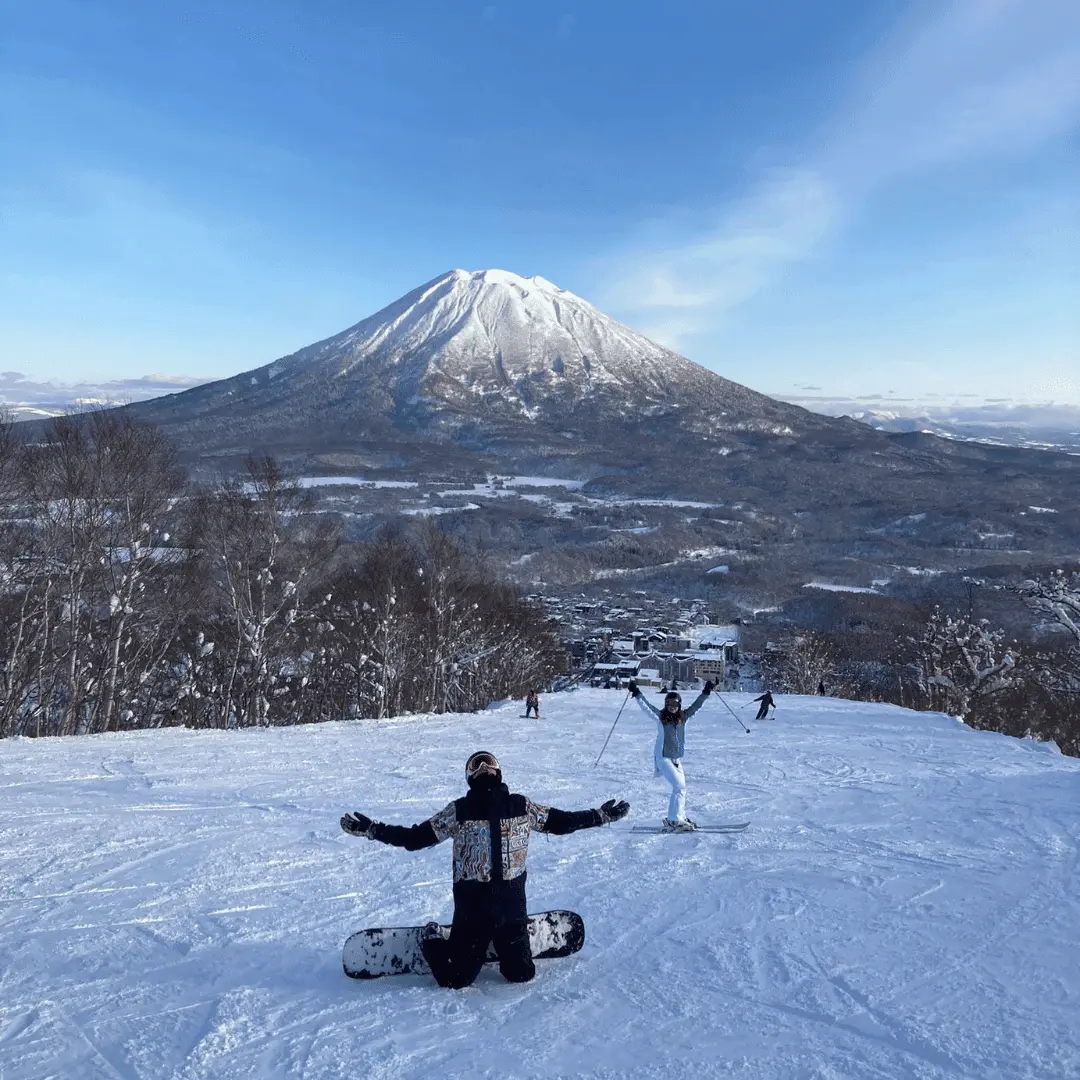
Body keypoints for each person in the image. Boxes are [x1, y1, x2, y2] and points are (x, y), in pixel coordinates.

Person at [340, 751, 629, 988]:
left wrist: (600, 816)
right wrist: (373, 830)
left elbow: (562, 821)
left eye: (488, 763)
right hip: (472, 912)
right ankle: (433, 936)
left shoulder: (521, 806)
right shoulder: (459, 811)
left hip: (511, 911)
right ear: (469, 776)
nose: (483, 768)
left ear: (498, 772)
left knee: (521, 975)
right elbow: (415, 838)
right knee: (456, 979)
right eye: (476, 765)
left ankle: (514, 941)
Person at [627, 680, 714, 832]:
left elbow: (696, 706)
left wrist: (706, 692)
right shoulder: (661, 717)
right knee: (679, 786)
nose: (672, 707)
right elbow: (647, 707)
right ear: (666, 704)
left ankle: (679, 816)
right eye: (669, 704)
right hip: (663, 758)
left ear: (679, 705)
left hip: (676, 759)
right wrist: (637, 693)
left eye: (675, 704)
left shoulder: (683, 718)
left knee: (682, 789)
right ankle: (674, 820)